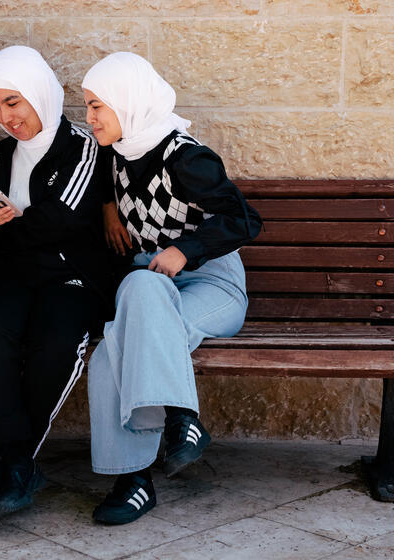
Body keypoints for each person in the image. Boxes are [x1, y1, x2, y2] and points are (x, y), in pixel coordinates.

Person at [81, 52, 263, 525]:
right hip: (151, 286)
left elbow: (245, 219)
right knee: (134, 300)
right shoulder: (117, 150)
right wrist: (106, 207)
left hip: (210, 284)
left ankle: (150, 455)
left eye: (98, 106)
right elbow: (106, 185)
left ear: (129, 103)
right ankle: (155, 455)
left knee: (115, 347)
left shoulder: (187, 158)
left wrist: (188, 250)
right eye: (88, 106)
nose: (90, 117)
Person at [0, 45, 109, 520]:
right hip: (16, 278)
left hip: (70, 278)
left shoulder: (83, 147)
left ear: (41, 95)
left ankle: (13, 460)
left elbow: (62, 219)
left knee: (55, 341)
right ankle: (13, 459)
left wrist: (5, 227)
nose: (6, 116)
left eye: (14, 102)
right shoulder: (0, 156)